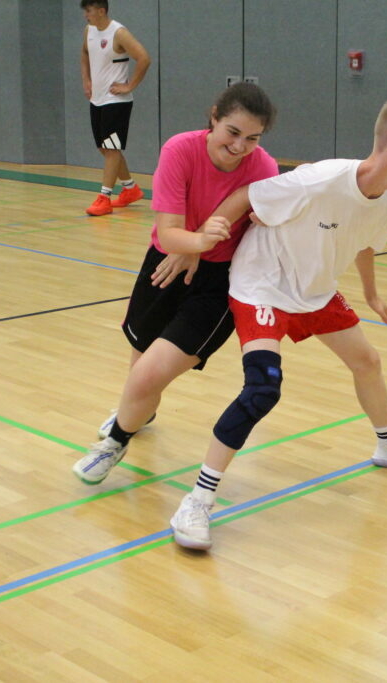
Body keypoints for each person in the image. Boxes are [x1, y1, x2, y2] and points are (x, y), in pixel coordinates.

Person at [167, 96, 387, 550]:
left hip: (314, 290)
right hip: (262, 285)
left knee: (367, 361)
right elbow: (245, 197)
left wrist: (372, 294)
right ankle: (197, 501)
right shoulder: (319, 180)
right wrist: (200, 242)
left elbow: (364, 244)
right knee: (262, 389)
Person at [73, 82, 279, 484]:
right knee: (140, 362)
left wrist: (205, 245)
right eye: (233, 132)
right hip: (165, 264)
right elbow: (169, 234)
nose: (240, 147)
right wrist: (197, 242)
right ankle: (139, 412)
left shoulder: (264, 169)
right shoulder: (180, 150)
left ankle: (114, 443)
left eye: (253, 138)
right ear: (214, 117)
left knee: (149, 374)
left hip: (219, 285)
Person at [80, 0, 152, 216]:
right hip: (97, 99)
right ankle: (130, 189)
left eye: (89, 11)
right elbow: (85, 53)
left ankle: (104, 198)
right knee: (104, 148)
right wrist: (86, 79)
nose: (86, 15)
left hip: (116, 101)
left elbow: (144, 58)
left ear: (101, 11)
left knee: (111, 148)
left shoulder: (119, 33)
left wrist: (130, 86)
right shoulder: (89, 30)